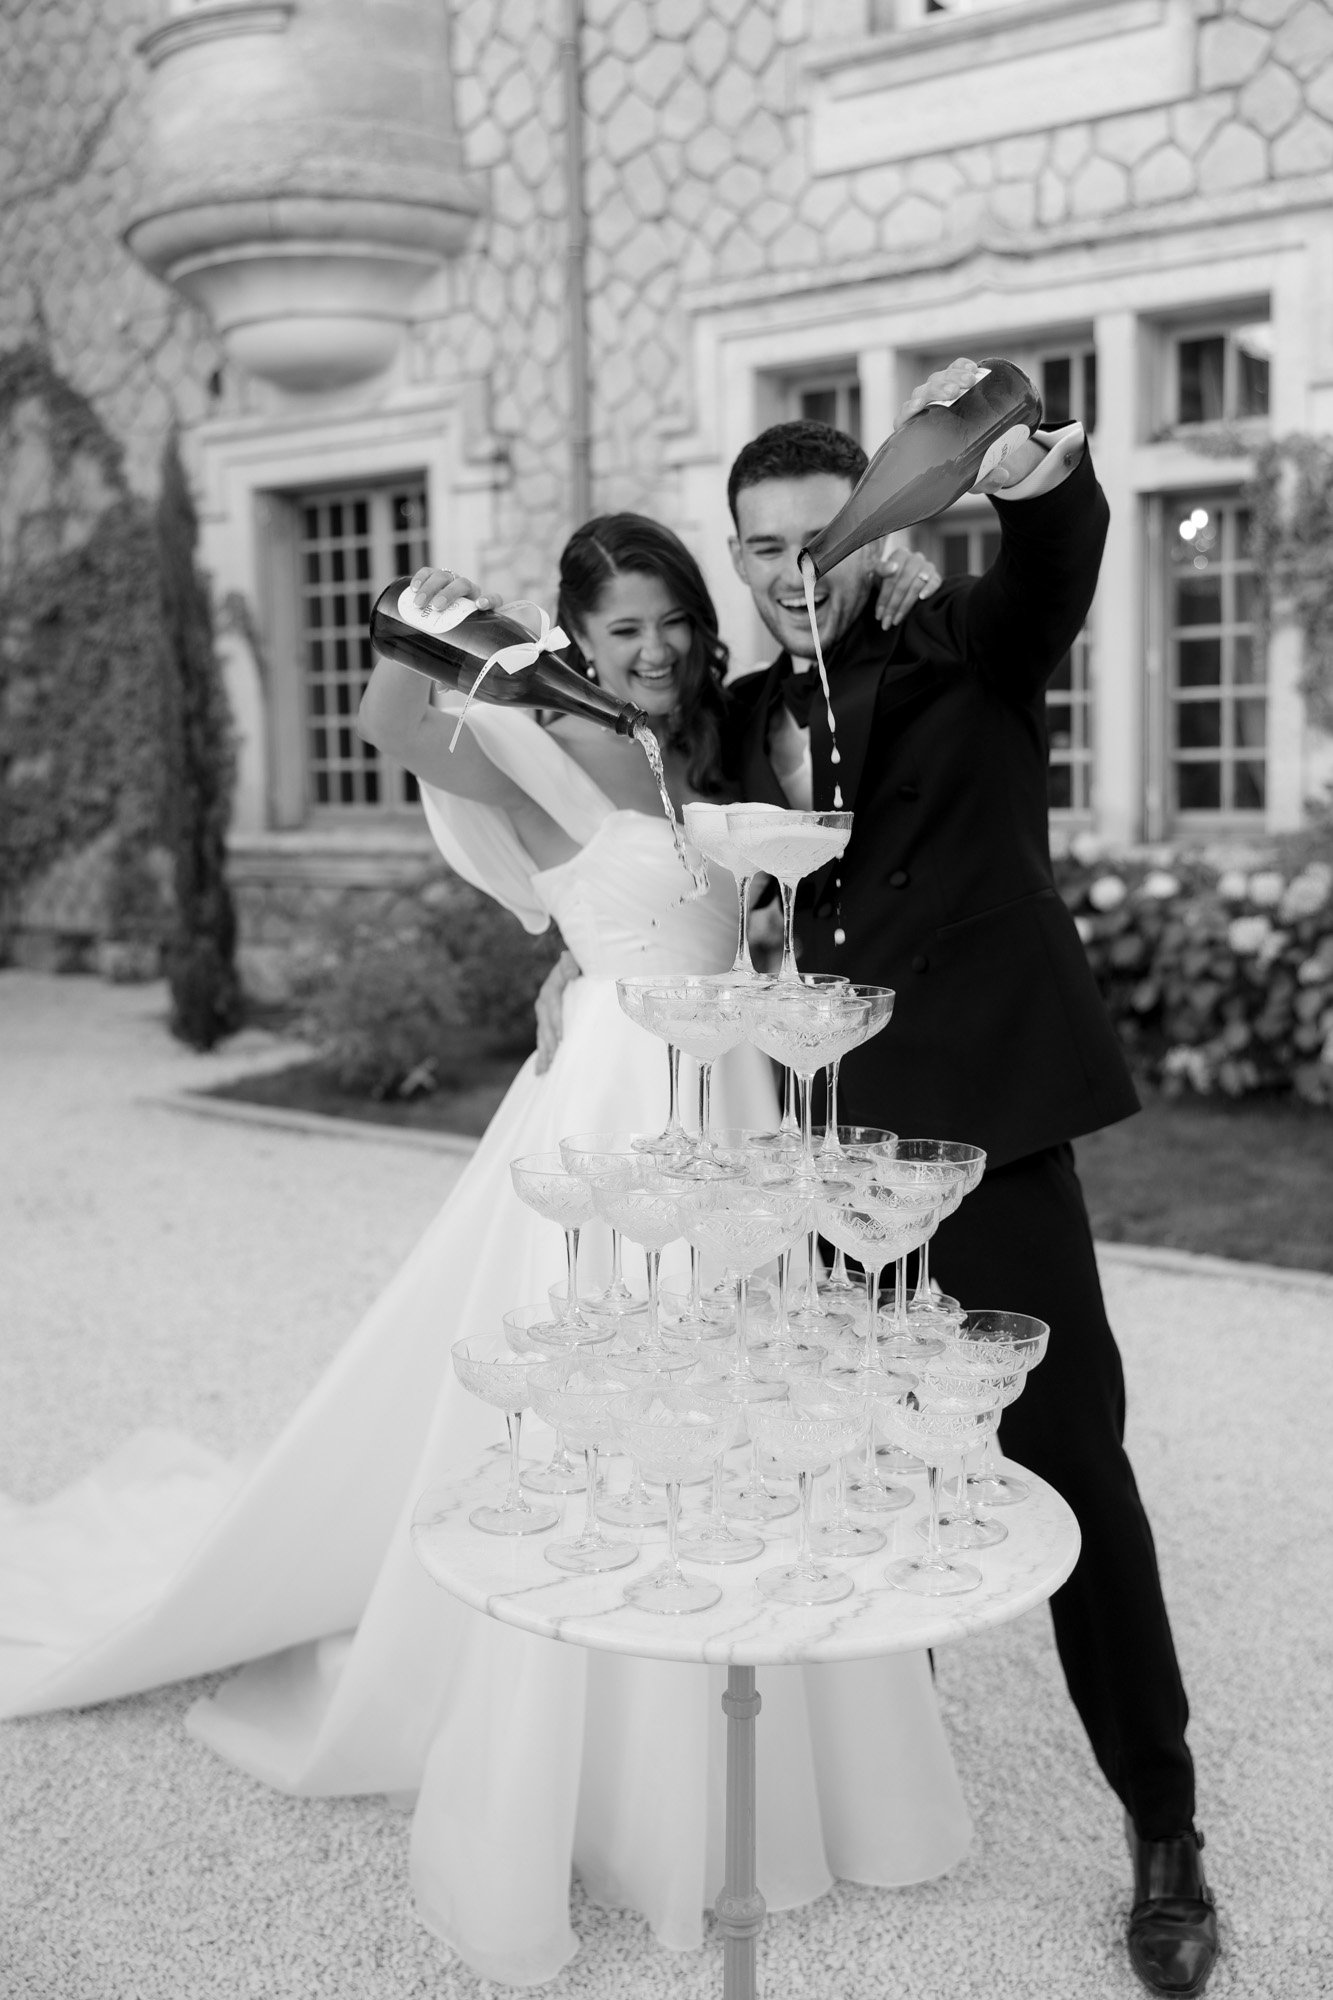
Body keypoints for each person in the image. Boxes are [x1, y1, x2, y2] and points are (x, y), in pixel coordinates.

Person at [0, 513, 966, 1985]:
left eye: (673, 623)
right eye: (624, 628)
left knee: (747, 1405)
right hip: (621, 1112)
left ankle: (754, 1734)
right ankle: (606, 1772)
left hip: (731, 1101)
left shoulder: (671, 762)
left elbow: (694, 906)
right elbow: (401, 724)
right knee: (614, 1408)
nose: (655, 649)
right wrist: (414, 624)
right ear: (578, 640)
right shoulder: (554, 746)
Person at [539, 365, 1219, 1999]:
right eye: (757, 541)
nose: (790, 562)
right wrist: (568, 970)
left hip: (982, 1128)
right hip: (819, 1147)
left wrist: (1040, 480)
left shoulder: (965, 651)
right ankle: (883, 1759)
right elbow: (666, 866)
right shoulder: (748, 712)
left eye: (816, 530)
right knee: (867, 1446)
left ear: (881, 526)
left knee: (1068, 1461)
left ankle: (1165, 1823)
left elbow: (1055, 563)